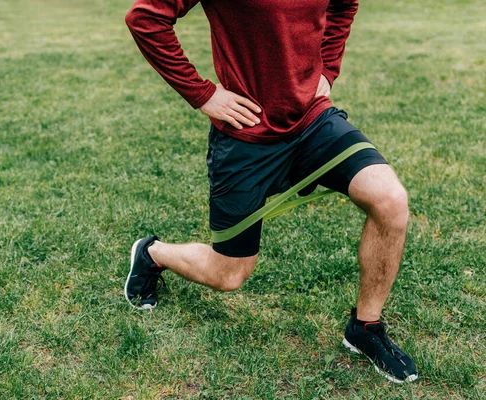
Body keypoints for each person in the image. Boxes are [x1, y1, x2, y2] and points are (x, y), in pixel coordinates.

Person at [123, 0, 417, 384]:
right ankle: (152, 253)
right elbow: (145, 19)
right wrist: (204, 95)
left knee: (390, 200)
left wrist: (327, 68)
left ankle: (364, 328)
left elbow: (345, 5)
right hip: (247, 133)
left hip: (312, 120)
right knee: (228, 274)